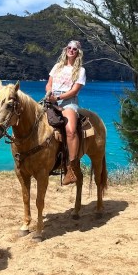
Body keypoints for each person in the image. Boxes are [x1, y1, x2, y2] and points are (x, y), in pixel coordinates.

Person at [45, 40, 86, 185]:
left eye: (74, 49)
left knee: (71, 131)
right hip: (52, 99)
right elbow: (49, 83)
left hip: (69, 102)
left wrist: (58, 97)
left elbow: (75, 90)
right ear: (65, 50)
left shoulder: (80, 70)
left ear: (78, 52)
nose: (71, 50)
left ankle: (71, 168)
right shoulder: (57, 66)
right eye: (69, 48)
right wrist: (49, 94)